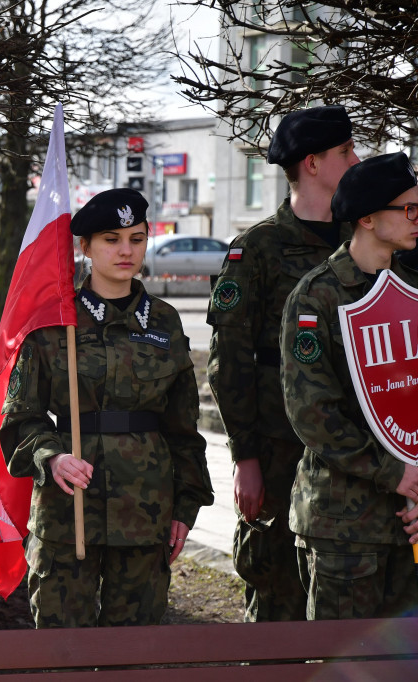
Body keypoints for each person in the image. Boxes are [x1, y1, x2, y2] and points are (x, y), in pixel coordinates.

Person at [0, 188, 213, 628]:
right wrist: (51, 456)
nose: (125, 250)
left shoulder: (164, 321)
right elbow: (20, 418)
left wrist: (184, 508)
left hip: (146, 509)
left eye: (136, 239)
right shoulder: (55, 322)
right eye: (111, 240)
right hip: (67, 510)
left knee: (132, 655)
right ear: (85, 248)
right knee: (62, 652)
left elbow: (183, 428)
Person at [207, 105, 360, 621]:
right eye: (346, 151)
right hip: (278, 455)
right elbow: (230, 365)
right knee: (276, 594)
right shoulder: (257, 249)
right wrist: (245, 458)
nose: (357, 158)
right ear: (313, 163)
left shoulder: (364, 243)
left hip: (357, 454)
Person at [280, 152, 418, 620]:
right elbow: (312, 412)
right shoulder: (317, 296)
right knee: (345, 664)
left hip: (409, 519)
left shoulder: (412, 289)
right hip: (344, 523)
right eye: (409, 209)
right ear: (367, 218)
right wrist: (397, 474)